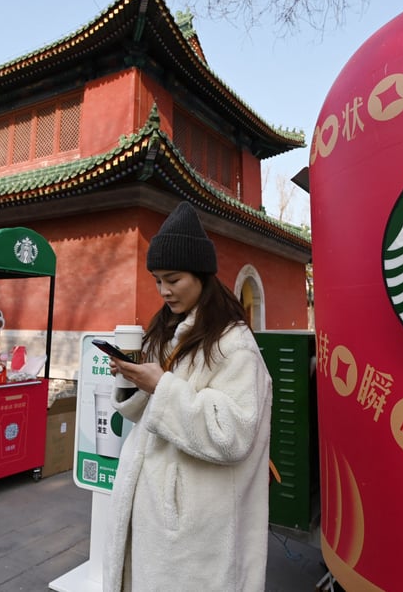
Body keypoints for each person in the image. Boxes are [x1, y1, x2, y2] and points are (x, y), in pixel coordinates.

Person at [102, 202, 273, 591]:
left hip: (198, 525)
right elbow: (147, 413)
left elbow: (232, 433)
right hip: (156, 511)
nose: (164, 291)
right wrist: (133, 379)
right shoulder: (168, 330)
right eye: (157, 280)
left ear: (201, 275)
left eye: (173, 279)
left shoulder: (234, 345)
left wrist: (159, 386)